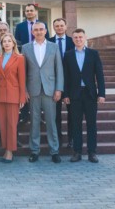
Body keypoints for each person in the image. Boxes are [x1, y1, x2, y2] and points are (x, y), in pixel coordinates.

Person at [21, 22, 64, 163]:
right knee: (34, 122)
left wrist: (59, 89)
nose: (39, 32)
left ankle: (54, 151)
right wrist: (24, 89)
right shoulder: (26, 48)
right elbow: (23, 71)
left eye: (41, 29)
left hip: (50, 89)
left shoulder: (54, 46)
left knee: (51, 122)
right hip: (32, 89)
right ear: (32, 32)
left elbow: (59, 69)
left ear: (45, 31)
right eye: (36, 30)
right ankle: (34, 151)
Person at [63, 28, 106, 163]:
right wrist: (65, 94)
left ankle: (92, 152)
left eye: (80, 37)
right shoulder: (68, 55)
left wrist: (101, 93)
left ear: (85, 37)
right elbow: (65, 76)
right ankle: (77, 152)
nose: (78, 39)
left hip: (90, 94)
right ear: (73, 39)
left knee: (91, 124)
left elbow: (99, 75)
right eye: (75, 37)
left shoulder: (93, 54)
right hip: (74, 95)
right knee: (76, 124)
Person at [0, 33, 26, 163]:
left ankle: (10, 151)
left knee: (12, 124)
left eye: (9, 41)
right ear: (1, 44)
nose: (6, 43)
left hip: (13, 95)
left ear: (13, 44)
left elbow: (22, 79)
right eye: (4, 41)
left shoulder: (20, 58)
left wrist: (22, 97)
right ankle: (5, 148)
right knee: (2, 124)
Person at [48, 18, 75, 148]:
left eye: (61, 25)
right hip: (54, 82)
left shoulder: (73, 41)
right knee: (55, 114)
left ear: (66, 26)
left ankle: (72, 139)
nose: (59, 28)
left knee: (72, 113)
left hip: (71, 82)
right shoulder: (48, 42)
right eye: (57, 26)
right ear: (53, 27)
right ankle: (57, 138)